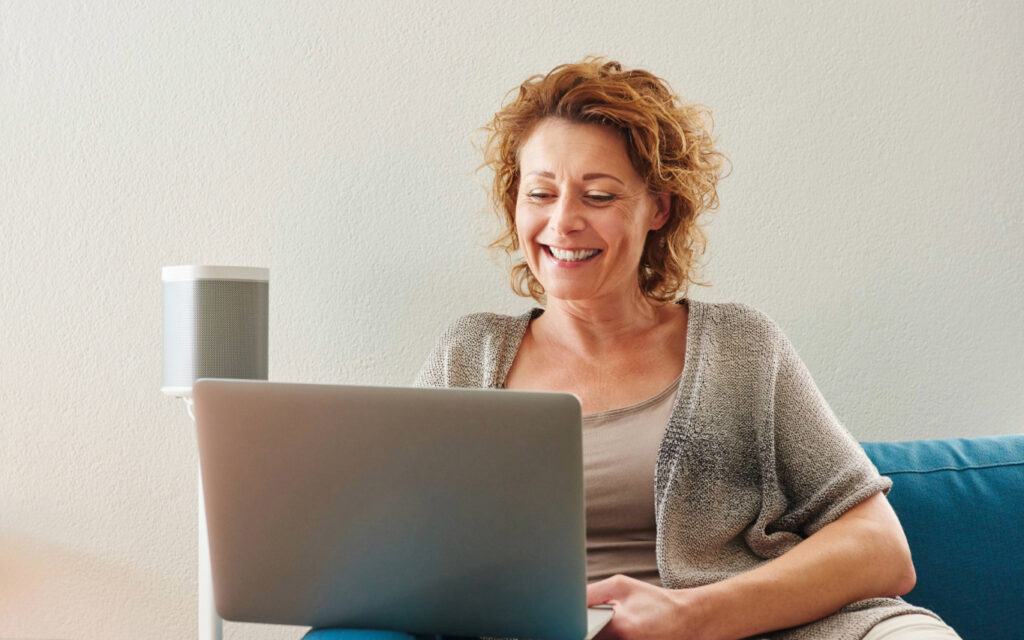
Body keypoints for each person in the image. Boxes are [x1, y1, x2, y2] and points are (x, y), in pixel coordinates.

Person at [410, 58, 961, 639]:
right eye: (540, 193)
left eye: (598, 196)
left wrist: (690, 617)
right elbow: (391, 545)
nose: (563, 221)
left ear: (659, 208)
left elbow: (881, 548)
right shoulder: (468, 354)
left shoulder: (740, 346)